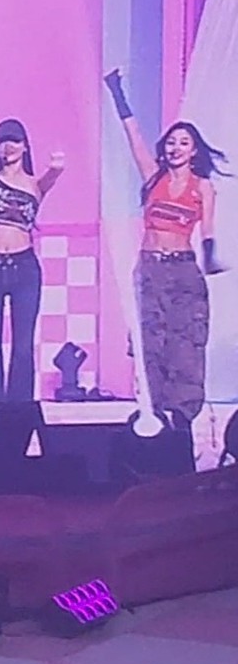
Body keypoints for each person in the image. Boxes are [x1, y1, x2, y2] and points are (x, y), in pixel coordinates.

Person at [105, 70, 228, 423]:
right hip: (149, 269)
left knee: (185, 343)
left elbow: (208, 228)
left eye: (183, 143)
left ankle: (182, 415)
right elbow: (133, 135)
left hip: (183, 271)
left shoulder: (202, 186)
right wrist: (117, 93)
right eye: (171, 142)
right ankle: (154, 411)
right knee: (150, 341)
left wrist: (210, 257)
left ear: (194, 150)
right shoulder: (153, 177)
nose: (175, 148)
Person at [0, 121, 65, 403]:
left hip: (24, 269)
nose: (8, 147)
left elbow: (52, 176)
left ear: (25, 146)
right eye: (2, 141)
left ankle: (20, 411)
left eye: (14, 140)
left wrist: (56, 167)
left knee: (23, 347)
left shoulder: (35, 184)